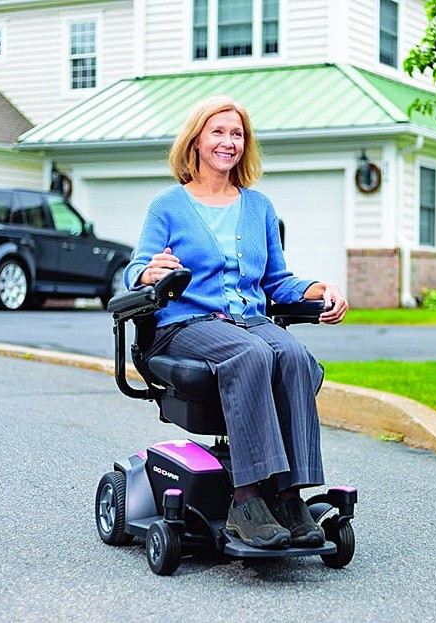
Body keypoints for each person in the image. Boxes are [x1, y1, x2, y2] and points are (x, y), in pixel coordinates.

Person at [124, 95, 348, 550]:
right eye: (218, 132)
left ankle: (288, 495)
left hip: (248, 319)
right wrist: (148, 273)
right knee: (251, 353)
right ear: (197, 141)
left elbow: (278, 281)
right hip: (186, 324)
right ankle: (246, 500)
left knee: (294, 356)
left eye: (237, 134)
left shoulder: (258, 207)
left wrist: (319, 290)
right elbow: (134, 271)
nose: (229, 142)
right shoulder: (168, 205)